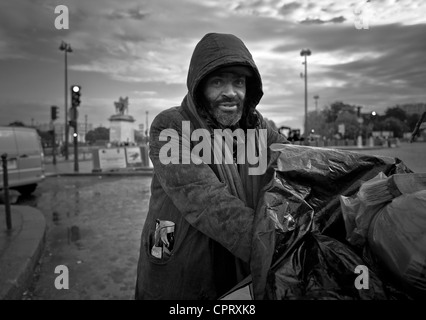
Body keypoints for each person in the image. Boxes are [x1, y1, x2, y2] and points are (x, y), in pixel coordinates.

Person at [135, 32, 288, 300]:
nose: (230, 93)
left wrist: (374, 176)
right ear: (199, 86)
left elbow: (301, 161)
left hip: (242, 273)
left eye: (238, 82)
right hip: (182, 269)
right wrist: (280, 251)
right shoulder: (170, 126)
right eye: (218, 82)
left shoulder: (258, 129)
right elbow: (205, 201)